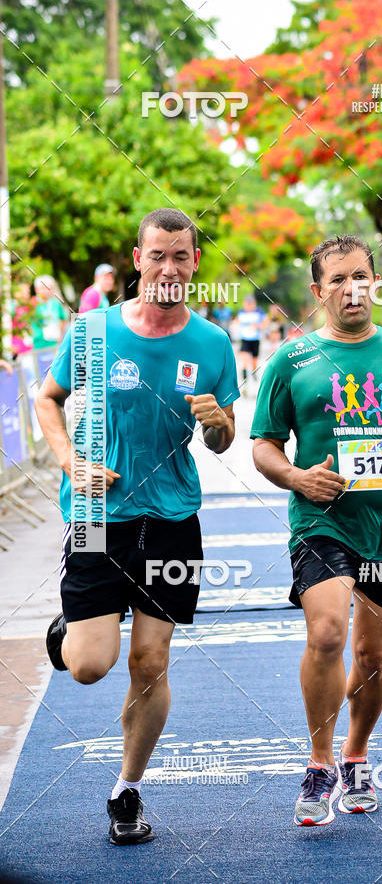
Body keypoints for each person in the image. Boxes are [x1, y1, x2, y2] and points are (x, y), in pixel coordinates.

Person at [35, 207, 239, 845]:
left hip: (173, 519)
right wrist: (72, 461)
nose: (169, 268)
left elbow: (226, 438)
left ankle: (127, 789)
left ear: (195, 264)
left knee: (150, 660)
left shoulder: (211, 344)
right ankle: (69, 631)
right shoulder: (93, 330)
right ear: (138, 259)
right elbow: (47, 398)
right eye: (158, 256)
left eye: (181, 257)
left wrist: (215, 422)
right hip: (97, 517)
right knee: (92, 664)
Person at [251, 234, 382, 827]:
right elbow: (263, 445)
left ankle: (355, 754)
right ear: (318, 292)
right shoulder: (292, 362)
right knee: (326, 633)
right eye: (338, 280)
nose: (351, 289)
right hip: (321, 520)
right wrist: (296, 477)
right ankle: (318, 765)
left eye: (360, 276)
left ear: (376, 283)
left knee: (372, 651)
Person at [236, 294, 268, 388]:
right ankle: (244, 382)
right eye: (247, 304)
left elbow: (265, 323)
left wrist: (257, 326)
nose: (249, 306)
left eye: (251, 304)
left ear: (254, 304)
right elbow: (236, 322)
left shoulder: (259, 311)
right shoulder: (241, 312)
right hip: (245, 340)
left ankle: (254, 377)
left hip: (255, 340)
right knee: (245, 362)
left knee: (254, 363)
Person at [31, 275, 69, 350]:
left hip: (54, 343)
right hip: (38, 344)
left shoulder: (55, 304)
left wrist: (60, 333)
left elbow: (63, 318)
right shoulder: (32, 304)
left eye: (49, 288)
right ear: (36, 289)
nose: (46, 291)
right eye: (43, 288)